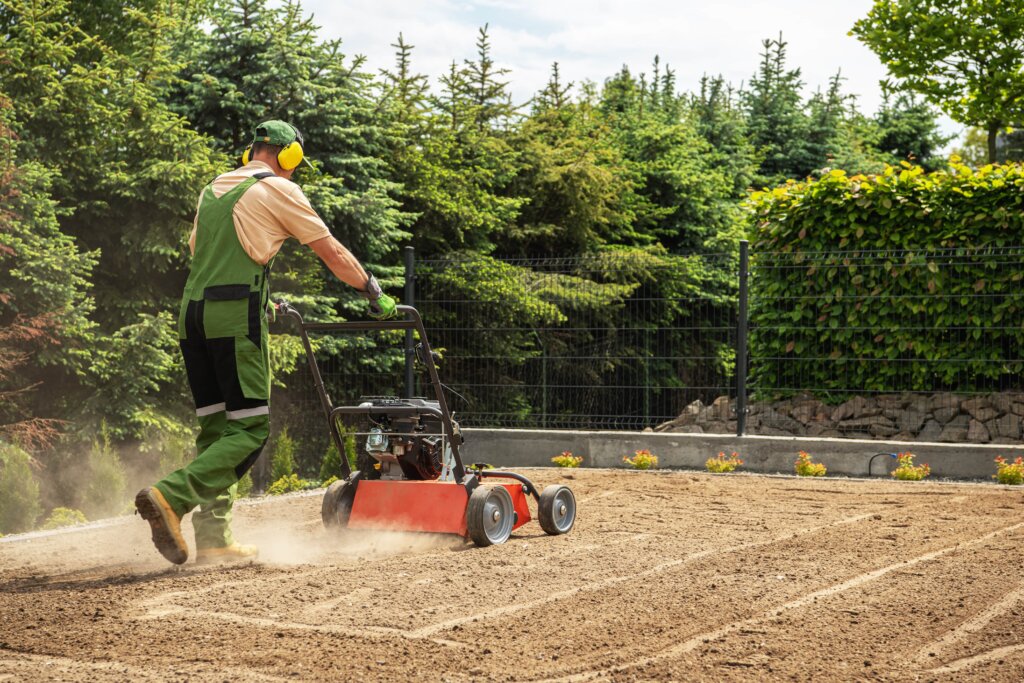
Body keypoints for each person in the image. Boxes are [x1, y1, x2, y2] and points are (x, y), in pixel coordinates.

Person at [134, 120, 396, 565]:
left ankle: (215, 539)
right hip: (234, 317)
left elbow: (205, 256)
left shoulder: (213, 188)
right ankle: (171, 496)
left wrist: (266, 305)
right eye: (296, 163)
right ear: (289, 155)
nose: (296, 171)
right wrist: (372, 290)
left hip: (193, 316)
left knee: (218, 429)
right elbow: (330, 251)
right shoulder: (279, 188)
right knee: (251, 429)